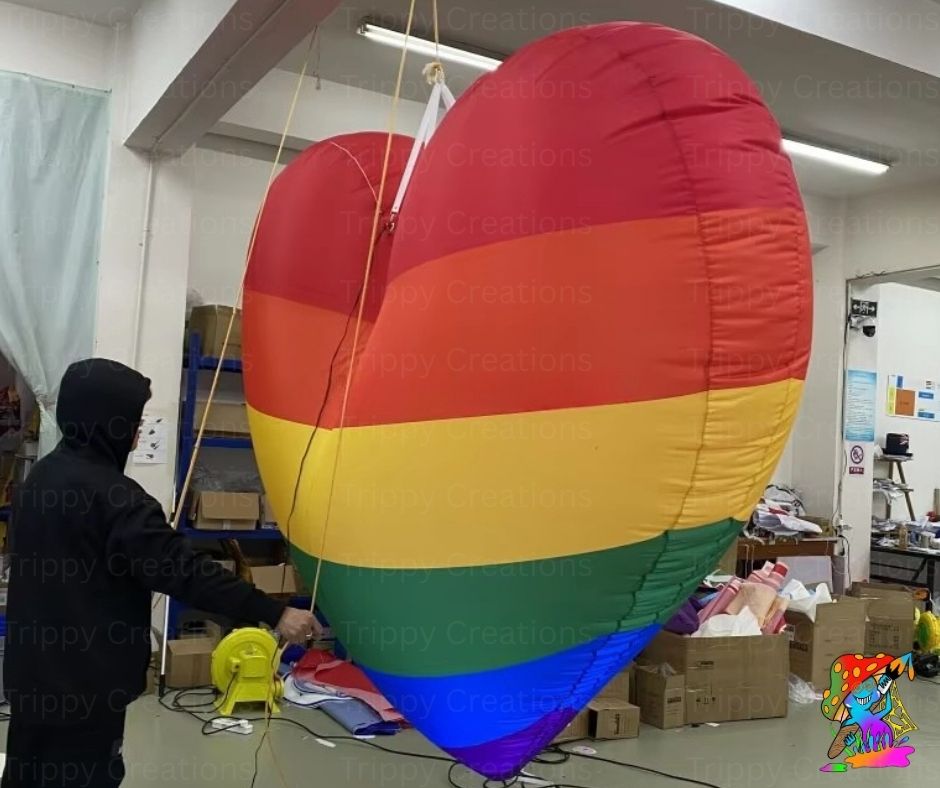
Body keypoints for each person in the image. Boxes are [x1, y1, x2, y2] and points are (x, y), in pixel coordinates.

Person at [1, 359, 317, 788]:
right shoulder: (117, 499)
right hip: (85, 690)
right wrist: (274, 612)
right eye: (133, 421)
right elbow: (185, 572)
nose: (137, 433)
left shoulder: (39, 479)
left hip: (31, 678)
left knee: (27, 775)